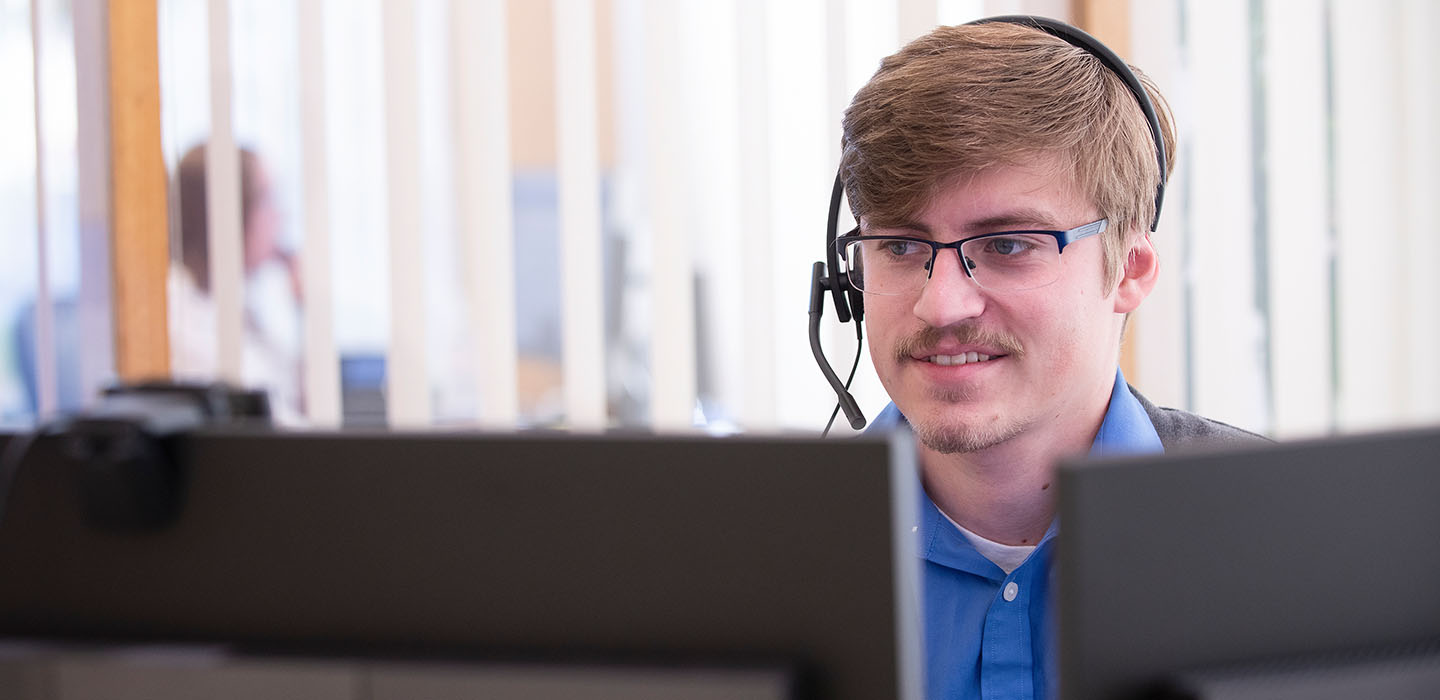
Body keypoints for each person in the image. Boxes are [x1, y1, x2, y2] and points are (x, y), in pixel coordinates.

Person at [831, 18, 1267, 699]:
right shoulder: (753, 561)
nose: (941, 307)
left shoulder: (1283, 539)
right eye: (900, 246)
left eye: (1007, 244)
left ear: (1130, 268)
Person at [170, 144, 304, 423]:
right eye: (266, 198)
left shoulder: (233, 303)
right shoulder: (178, 313)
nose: (279, 216)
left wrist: (303, 308)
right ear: (225, 211)